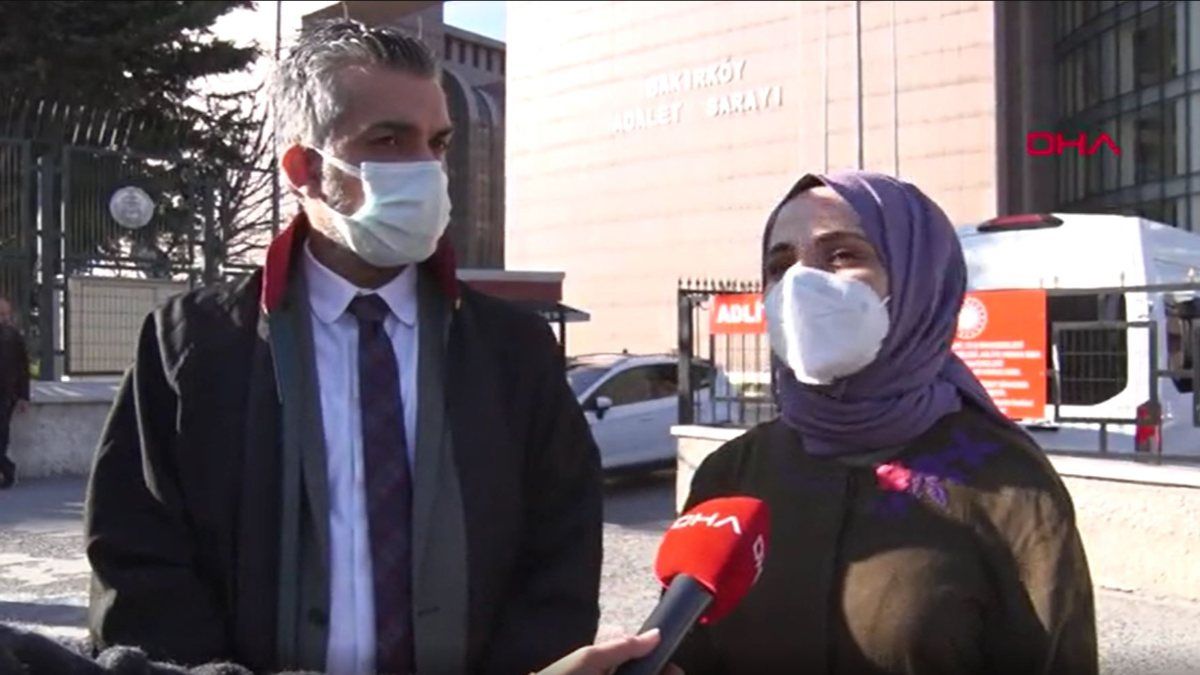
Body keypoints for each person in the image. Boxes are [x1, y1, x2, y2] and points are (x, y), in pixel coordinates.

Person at [84, 21, 603, 675]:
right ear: (305, 169)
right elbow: (138, 560)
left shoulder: (512, 352)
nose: (427, 169)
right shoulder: (195, 345)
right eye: (389, 140)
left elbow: (561, 552)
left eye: (438, 143)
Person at [671, 171, 1098, 674]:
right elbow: (688, 649)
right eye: (779, 265)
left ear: (919, 279)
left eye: (842, 255)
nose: (800, 284)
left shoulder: (1008, 485)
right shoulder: (733, 473)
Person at [0, 297, 30, 490]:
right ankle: (7, 469)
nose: (4, 318)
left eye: (6, 314)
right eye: (1, 314)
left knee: (2, 436)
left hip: (6, 395)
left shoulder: (13, 337)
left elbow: (23, 368)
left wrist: (24, 396)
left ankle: (8, 471)